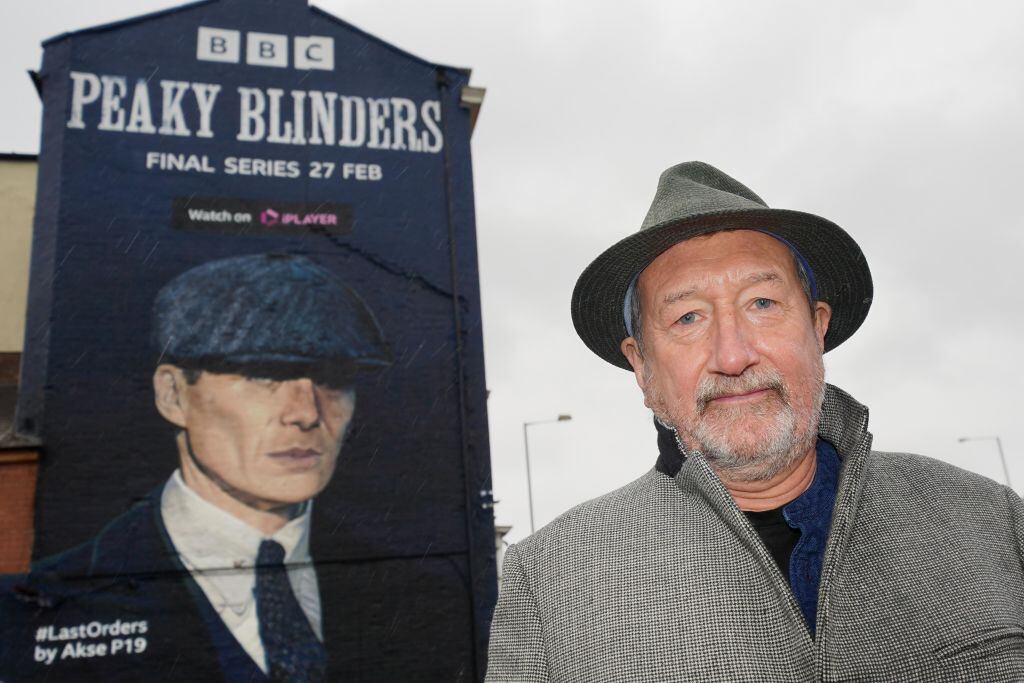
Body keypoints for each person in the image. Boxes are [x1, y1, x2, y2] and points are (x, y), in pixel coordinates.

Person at [486, 162, 1024, 681]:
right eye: (688, 317)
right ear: (643, 369)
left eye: (762, 302)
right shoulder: (550, 580)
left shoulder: (989, 520)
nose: (734, 353)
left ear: (817, 329)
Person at [0, 253, 391, 682]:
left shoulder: (415, 587)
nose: (306, 413)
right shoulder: (41, 602)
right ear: (173, 395)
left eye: (333, 380)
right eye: (263, 375)